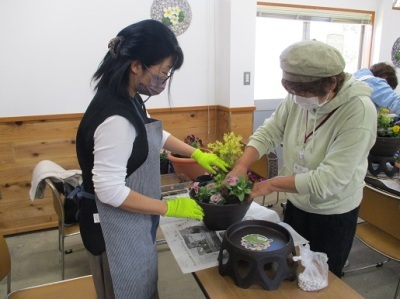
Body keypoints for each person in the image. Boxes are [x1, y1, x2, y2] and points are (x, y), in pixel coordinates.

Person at [76, 20, 227, 299]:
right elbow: (108, 189)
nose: (164, 80)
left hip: (132, 220)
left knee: (144, 286)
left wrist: (194, 152)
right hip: (112, 227)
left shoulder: (127, 95)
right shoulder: (115, 117)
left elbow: (151, 133)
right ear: (136, 65)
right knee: (125, 290)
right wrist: (168, 207)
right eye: (163, 71)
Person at [227, 40, 377, 277]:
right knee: (290, 266)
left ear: (331, 84)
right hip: (297, 202)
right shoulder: (299, 96)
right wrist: (242, 165)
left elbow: (328, 180)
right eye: (292, 92)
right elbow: (270, 130)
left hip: (333, 212)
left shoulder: (358, 111)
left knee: (321, 278)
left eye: (303, 93)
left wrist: (271, 184)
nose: (297, 100)